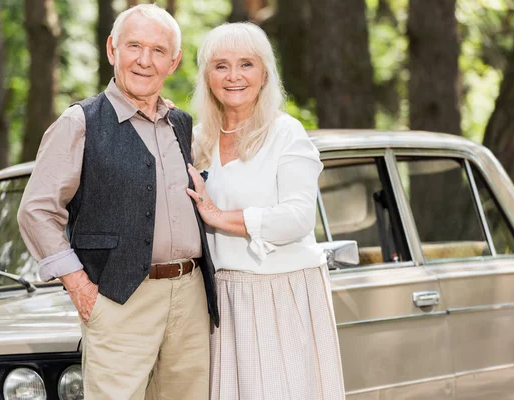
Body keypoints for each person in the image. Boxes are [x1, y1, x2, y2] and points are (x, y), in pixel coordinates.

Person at [17, 4, 218, 399]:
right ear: (113, 50)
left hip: (191, 296)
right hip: (119, 298)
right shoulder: (80, 122)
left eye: (159, 51)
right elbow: (37, 211)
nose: (145, 60)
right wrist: (78, 286)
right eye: (134, 46)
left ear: (173, 62)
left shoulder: (181, 123)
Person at [185, 22, 346, 399]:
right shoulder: (196, 140)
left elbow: (299, 217)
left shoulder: (285, 132)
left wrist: (221, 217)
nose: (233, 76)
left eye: (246, 64)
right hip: (221, 297)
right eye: (221, 65)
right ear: (207, 76)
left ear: (264, 74)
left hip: (282, 292)